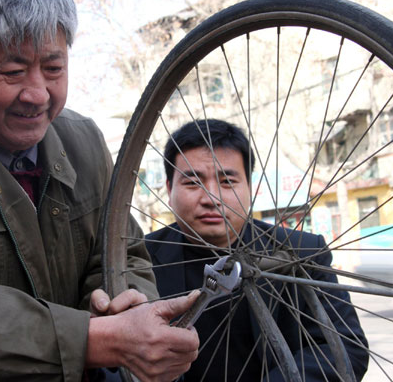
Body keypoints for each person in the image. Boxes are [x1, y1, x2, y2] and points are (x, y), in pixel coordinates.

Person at [0, 0, 199, 381]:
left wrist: (122, 305)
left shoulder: (82, 140)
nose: (37, 94)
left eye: (54, 68)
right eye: (13, 71)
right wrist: (100, 339)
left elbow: (122, 251)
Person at [146, 119, 369, 381]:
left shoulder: (302, 251)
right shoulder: (138, 258)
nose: (211, 199)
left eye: (227, 182)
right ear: (170, 189)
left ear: (250, 188)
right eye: (193, 183)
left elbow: (347, 348)